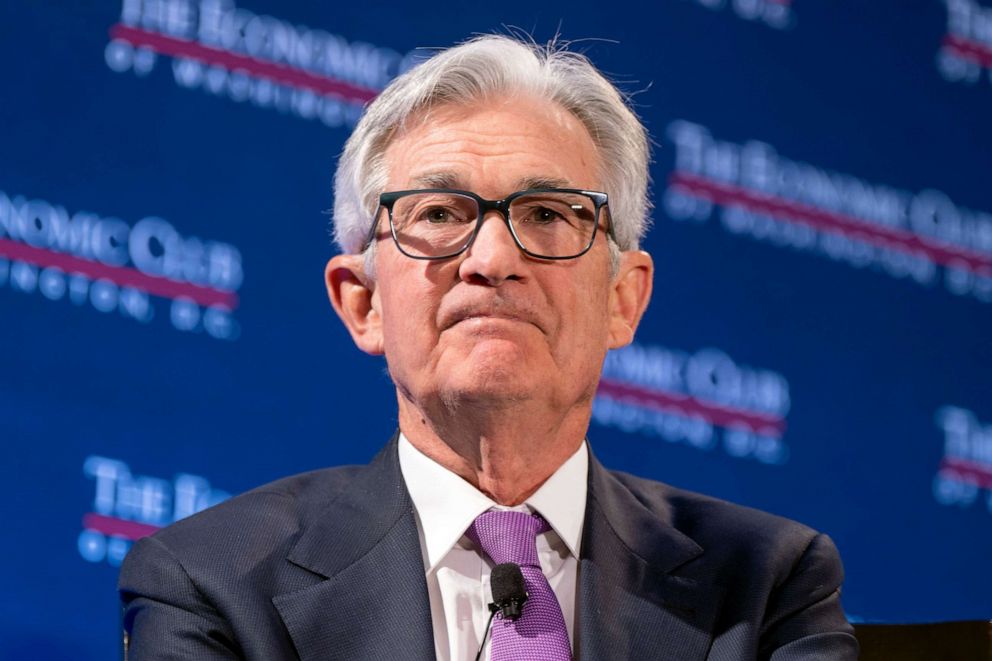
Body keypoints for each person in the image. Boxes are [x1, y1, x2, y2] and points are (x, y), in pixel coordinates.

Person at [118, 35, 858, 660]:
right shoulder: (210, 583)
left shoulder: (766, 584)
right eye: (439, 212)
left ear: (623, 300)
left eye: (547, 213)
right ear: (363, 301)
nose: (493, 257)